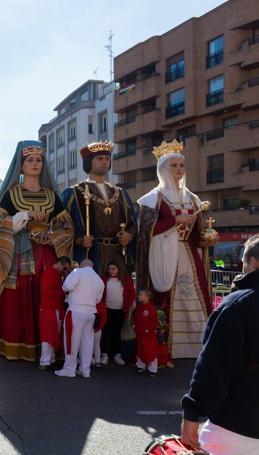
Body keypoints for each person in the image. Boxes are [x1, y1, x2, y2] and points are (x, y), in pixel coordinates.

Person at [0, 141, 71, 361]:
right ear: (21, 165)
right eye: (30, 160)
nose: (35, 164)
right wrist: (23, 216)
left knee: (46, 297)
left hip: (45, 254)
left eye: (39, 161)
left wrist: (51, 236)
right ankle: (16, 346)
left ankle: (45, 348)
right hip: (19, 253)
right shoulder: (12, 194)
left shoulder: (52, 196)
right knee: (18, 298)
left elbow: (66, 226)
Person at [136, 140, 216, 359]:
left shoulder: (193, 198)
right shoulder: (153, 198)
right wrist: (175, 220)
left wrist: (205, 239)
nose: (179, 170)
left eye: (181, 165)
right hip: (163, 257)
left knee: (196, 296)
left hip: (190, 256)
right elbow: (144, 232)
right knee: (168, 296)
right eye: (174, 165)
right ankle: (166, 348)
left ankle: (200, 345)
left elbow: (197, 231)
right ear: (163, 169)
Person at [181, 234, 259, 453]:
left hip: (238, 424)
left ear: (253, 262)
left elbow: (214, 364)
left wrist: (193, 411)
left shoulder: (239, 304)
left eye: (244, 261)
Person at [60, 141, 137, 276]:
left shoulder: (121, 193)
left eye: (107, 158)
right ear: (89, 161)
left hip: (117, 256)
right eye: (99, 158)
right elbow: (60, 227)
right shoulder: (73, 193)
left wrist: (129, 236)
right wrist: (79, 239)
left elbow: (133, 223)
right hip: (89, 255)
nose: (104, 162)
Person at [55, 259, 104, 379]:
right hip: (91, 313)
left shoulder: (78, 272)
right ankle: (85, 370)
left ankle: (69, 369)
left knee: (72, 341)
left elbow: (66, 287)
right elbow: (98, 300)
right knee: (87, 342)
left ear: (82, 265)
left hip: (76, 311)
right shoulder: (99, 280)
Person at [96, 261, 135, 366]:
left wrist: (126, 307)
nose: (111, 271)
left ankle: (117, 355)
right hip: (107, 310)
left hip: (120, 310)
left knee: (117, 333)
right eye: (110, 269)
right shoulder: (104, 279)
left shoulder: (126, 280)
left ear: (119, 269)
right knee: (107, 332)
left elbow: (132, 294)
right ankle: (105, 354)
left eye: (114, 269)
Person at [39, 257, 68, 370]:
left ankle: (50, 359)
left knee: (53, 334)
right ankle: (45, 361)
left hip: (54, 308)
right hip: (48, 308)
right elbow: (46, 291)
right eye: (65, 268)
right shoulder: (49, 273)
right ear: (61, 263)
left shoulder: (55, 273)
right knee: (48, 335)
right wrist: (62, 292)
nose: (64, 271)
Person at [134, 289, 158, 377]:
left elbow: (154, 321)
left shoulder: (151, 308)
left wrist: (148, 330)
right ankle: (141, 366)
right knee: (140, 350)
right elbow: (136, 318)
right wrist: (135, 327)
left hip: (149, 335)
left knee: (150, 350)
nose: (138, 296)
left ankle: (153, 369)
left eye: (140, 295)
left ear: (147, 297)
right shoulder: (139, 307)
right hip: (140, 334)